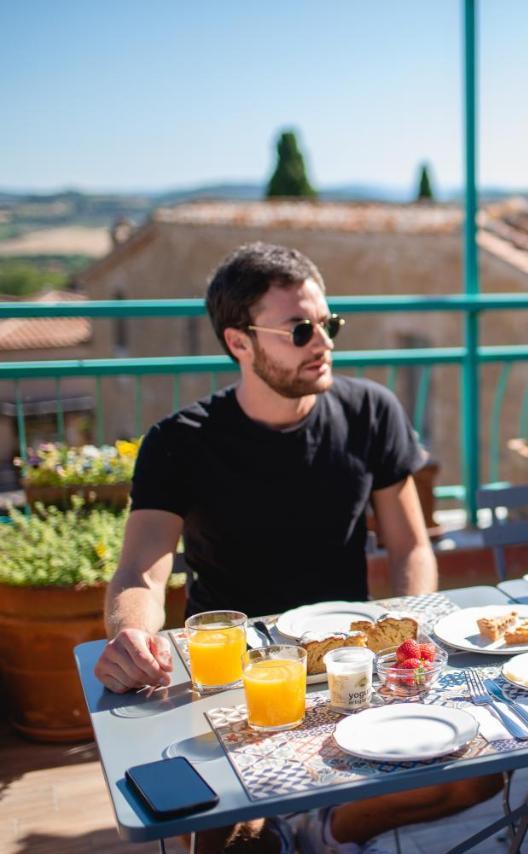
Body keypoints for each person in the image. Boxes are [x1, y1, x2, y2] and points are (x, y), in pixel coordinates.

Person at [93, 244, 499, 853]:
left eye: (328, 325)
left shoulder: (371, 411)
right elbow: (140, 574)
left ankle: (328, 831)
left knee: (475, 778)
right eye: (301, 330)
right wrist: (132, 635)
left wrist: (411, 633)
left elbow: (412, 543)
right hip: (234, 684)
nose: (324, 343)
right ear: (239, 343)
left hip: (351, 668)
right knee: (226, 843)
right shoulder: (180, 442)